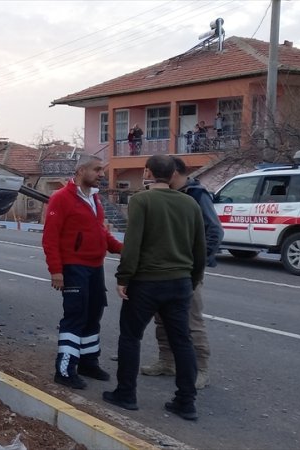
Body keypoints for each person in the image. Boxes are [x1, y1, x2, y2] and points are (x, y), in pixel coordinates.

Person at [103, 154, 206, 421]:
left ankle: (126, 394)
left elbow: (133, 243)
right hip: (181, 283)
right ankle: (186, 402)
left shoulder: (141, 200)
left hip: (147, 283)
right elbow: (199, 248)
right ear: (173, 174)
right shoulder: (190, 203)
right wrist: (192, 280)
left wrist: (123, 277)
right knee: (182, 341)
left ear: (147, 171)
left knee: (130, 337)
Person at [42, 154, 123, 389]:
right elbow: (50, 238)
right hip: (74, 267)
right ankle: (64, 369)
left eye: (102, 170)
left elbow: (101, 232)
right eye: (97, 170)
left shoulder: (94, 199)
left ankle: (89, 362)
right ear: (80, 171)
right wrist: (56, 271)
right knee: (75, 317)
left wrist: (121, 249)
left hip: (94, 267)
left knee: (93, 315)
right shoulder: (61, 198)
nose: (102, 174)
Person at [141, 157, 222, 389]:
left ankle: (201, 368)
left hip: (186, 271)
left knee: (191, 320)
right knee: (162, 318)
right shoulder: (166, 194)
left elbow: (214, 231)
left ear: (173, 173)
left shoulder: (196, 194)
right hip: (164, 270)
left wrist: (198, 264)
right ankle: (167, 361)